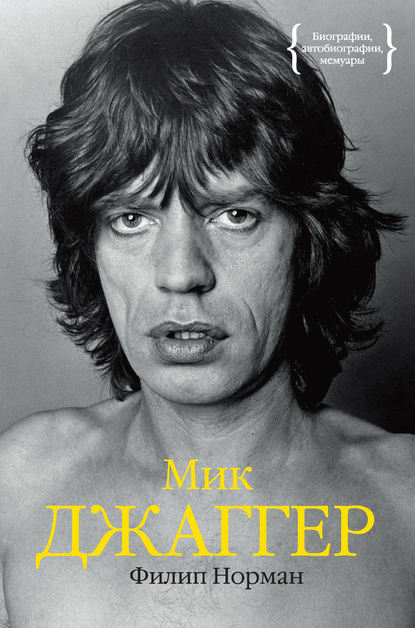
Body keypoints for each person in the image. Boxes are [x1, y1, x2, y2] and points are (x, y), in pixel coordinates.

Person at [1, 0, 414, 626]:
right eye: (131, 219)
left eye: (234, 215)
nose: (181, 273)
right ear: (90, 249)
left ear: (310, 240)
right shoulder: (19, 486)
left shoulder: (405, 506)